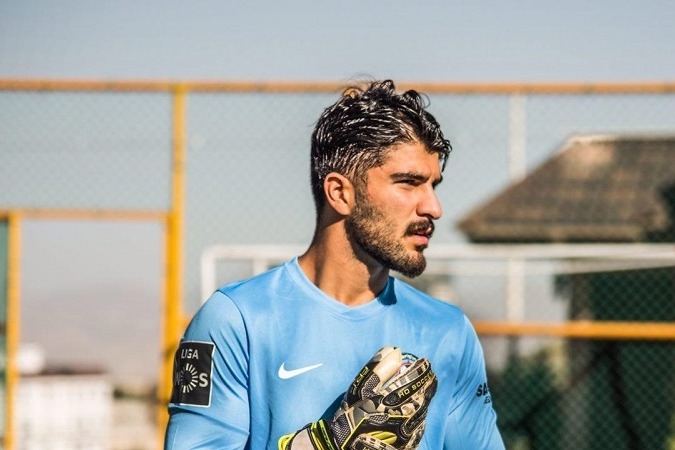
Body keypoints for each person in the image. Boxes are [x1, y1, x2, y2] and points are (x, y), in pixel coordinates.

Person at [164, 79, 504, 450]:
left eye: (433, 186)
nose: (433, 207)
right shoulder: (236, 320)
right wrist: (326, 443)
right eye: (408, 183)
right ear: (340, 193)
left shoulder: (449, 331)